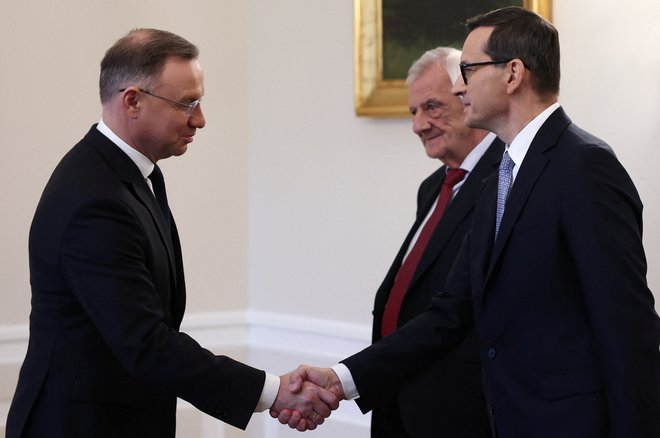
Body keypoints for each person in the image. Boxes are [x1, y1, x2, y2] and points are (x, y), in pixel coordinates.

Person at [278, 7, 660, 437]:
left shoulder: (585, 165)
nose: (460, 87)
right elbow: (450, 312)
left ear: (513, 74)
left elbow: (627, 329)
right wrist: (341, 379)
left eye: (468, 70)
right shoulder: (500, 174)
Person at [6, 28, 337, 438]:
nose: (200, 119)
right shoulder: (93, 198)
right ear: (133, 101)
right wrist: (274, 391)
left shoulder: (137, 175)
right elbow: (145, 343)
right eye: (187, 104)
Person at [369, 47, 502, 438]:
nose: (419, 125)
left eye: (432, 107)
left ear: (467, 96)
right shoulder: (433, 187)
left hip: (460, 409)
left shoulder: (507, 179)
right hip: (398, 393)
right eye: (414, 112)